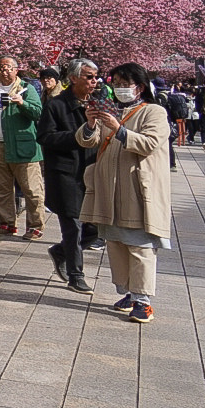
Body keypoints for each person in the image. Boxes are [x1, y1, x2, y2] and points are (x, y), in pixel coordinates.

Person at [77, 62, 171, 324]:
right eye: (115, 83)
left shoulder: (154, 112)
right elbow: (88, 141)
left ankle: (143, 301)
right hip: (110, 188)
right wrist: (91, 123)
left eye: (123, 83)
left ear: (139, 87)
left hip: (138, 189)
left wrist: (119, 129)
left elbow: (150, 143)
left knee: (139, 244)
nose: (118, 88)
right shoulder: (113, 111)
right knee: (116, 242)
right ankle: (130, 293)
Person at [36, 59, 99, 293]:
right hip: (65, 173)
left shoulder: (99, 103)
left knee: (96, 228)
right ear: (73, 78)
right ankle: (76, 275)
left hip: (92, 172)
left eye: (95, 77)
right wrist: (78, 135)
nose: (94, 81)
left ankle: (61, 251)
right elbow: (45, 137)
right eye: (89, 77)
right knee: (73, 226)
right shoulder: (56, 105)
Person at [0, 56, 46, 238]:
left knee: (32, 189)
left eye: (7, 68)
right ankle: (6, 224)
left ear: (16, 69)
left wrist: (22, 103)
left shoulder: (26, 88)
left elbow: (38, 112)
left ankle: (35, 226)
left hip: (23, 147)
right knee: (1, 188)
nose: (3, 71)